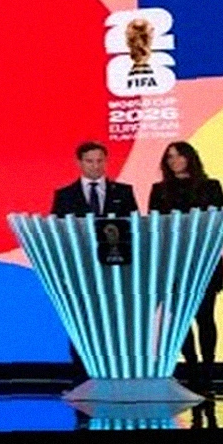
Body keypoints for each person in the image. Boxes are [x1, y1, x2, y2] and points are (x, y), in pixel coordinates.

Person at [51, 142, 140, 381]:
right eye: (90, 161)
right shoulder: (64, 196)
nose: (95, 166)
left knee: (115, 323)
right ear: (79, 163)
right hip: (80, 272)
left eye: (100, 160)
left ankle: (114, 376)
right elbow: (58, 235)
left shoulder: (123, 192)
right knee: (81, 323)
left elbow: (134, 230)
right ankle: (81, 379)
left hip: (116, 271)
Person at [148, 141, 223, 391]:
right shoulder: (159, 190)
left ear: (189, 158)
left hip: (204, 260)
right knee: (180, 320)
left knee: (205, 317)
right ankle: (192, 367)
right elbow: (154, 227)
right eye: (169, 157)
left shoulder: (211, 187)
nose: (174, 161)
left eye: (179, 155)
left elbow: (220, 222)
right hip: (173, 263)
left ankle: (208, 369)